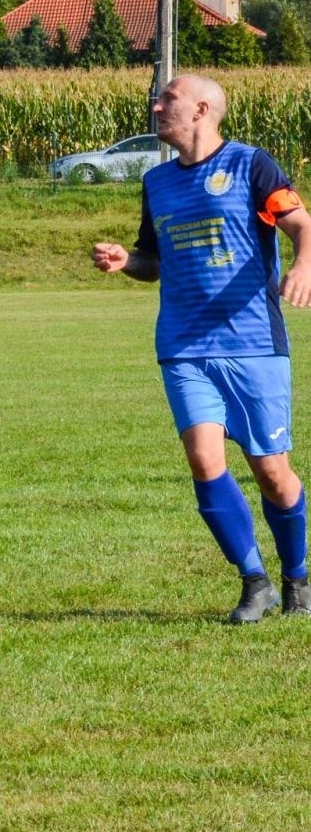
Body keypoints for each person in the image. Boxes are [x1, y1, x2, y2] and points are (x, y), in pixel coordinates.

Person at [93, 74, 311, 623]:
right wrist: (128, 262)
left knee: (272, 472)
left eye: (168, 97)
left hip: (254, 345)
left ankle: (298, 578)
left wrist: (304, 265)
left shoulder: (251, 165)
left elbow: (301, 223)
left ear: (202, 109)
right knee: (203, 459)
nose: (156, 103)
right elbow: (154, 260)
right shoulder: (157, 181)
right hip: (184, 345)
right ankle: (254, 582)